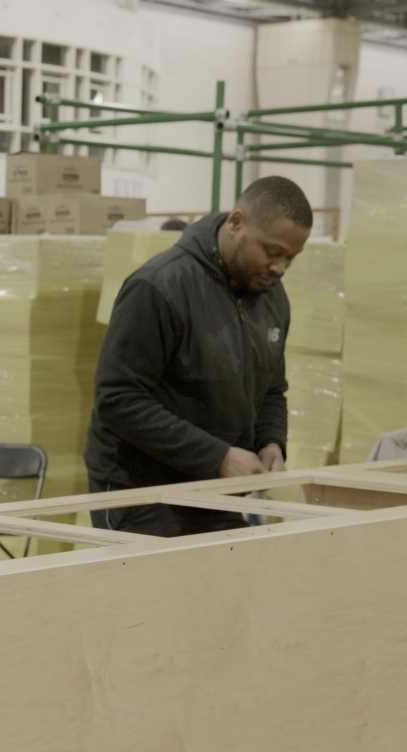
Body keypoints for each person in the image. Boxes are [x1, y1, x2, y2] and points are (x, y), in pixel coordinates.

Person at [84, 176, 313, 537]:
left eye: (290, 258)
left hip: (217, 492)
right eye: (272, 252)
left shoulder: (272, 299)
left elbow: (272, 388)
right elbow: (117, 398)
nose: (280, 268)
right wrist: (217, 457)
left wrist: (271, 443)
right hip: (142, 496)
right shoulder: (159, 287)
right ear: (235, 223)